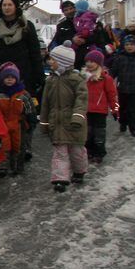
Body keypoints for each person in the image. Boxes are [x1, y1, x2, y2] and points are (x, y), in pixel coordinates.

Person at [38, 45, 88, 193]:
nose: (50, 61)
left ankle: (79, 171)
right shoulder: (50, 80)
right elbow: (45, 104)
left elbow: (82, 100)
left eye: (53, 59)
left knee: (76, 151)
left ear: (63, 62)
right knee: (60, 153)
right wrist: (44, 122)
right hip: (57, 123)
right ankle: (60, 179)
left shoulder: (76, 79)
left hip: (74, 124)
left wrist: (78, 117)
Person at [0, 0, 44, 98]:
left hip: (24, 75)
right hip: (0, 76)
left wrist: (38, 75)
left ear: (16, 7)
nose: (7, 8)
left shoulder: (27, 26)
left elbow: (35, 52)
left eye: (10, 5)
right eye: (4, 5)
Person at [0, 62, 35, 176]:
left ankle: (17, 166)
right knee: (3, 145)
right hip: (2, 123)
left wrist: (31, 121)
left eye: (12, 77)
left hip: (18, 123)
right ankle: (3, 166)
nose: (9, 80)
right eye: (7, 77)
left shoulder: (23, 94)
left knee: (19, 145)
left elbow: (30, 108)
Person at [81, 50, 119, 163]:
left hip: (100, 111)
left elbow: (112, 96)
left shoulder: (106, 79)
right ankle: (89, 152)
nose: (89, 64)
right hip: (86, 110)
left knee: (99, 133)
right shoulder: (83, 77)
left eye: (92, 61)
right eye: (87, 61)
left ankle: (99, 152)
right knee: (87, 133)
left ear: (98, 63)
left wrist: (115, 110)